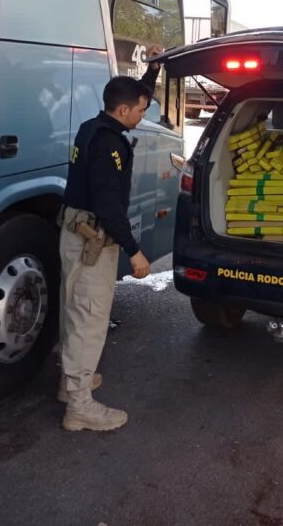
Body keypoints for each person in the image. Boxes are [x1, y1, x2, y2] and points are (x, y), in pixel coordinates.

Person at [57, 60, 160, 432]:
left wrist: (150, 76)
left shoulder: (91, 128)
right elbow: (108, 206)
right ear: (123, 109)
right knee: (89, 319)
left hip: (74, 233)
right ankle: (80, 406)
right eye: (141, 110)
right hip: (93, 242)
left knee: (73, 311)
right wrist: (134, 251)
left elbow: (137, 94)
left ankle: (71, 386)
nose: (142, 116)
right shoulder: (109, 144)